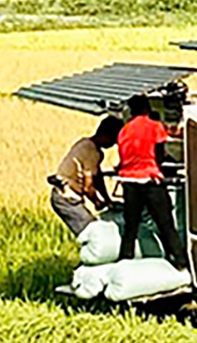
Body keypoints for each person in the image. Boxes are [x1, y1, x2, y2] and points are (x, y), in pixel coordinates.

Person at [116, 95, 186, 268]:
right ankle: (180, 261)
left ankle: (125, 261)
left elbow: (124, 156)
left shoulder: (124, 130)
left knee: (131, 226)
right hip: (150, 180)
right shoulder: (155, 126)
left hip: (129, 181)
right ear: (147, 108)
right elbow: (160, 153)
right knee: (165, 223)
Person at [48, 116, 124, 237]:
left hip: (63, 195)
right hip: (67, 198)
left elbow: (97, 177)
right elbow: (89, 186)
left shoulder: (86, 143)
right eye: (114, 140)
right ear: (106, 134)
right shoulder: (92, 151)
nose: (113, 144)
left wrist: (107, 199)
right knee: (92, 232)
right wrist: (97, 202)